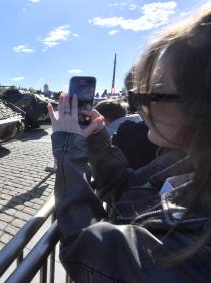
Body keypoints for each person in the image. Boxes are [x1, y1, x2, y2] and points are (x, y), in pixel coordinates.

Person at [47, 4, 211, 282]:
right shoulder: (187, 162)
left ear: (201, 107)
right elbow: (126, 190)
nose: (139, 107)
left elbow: (85, 249)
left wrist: (66, 147)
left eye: (153, 94)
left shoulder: (196, 252)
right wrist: (97, 137)